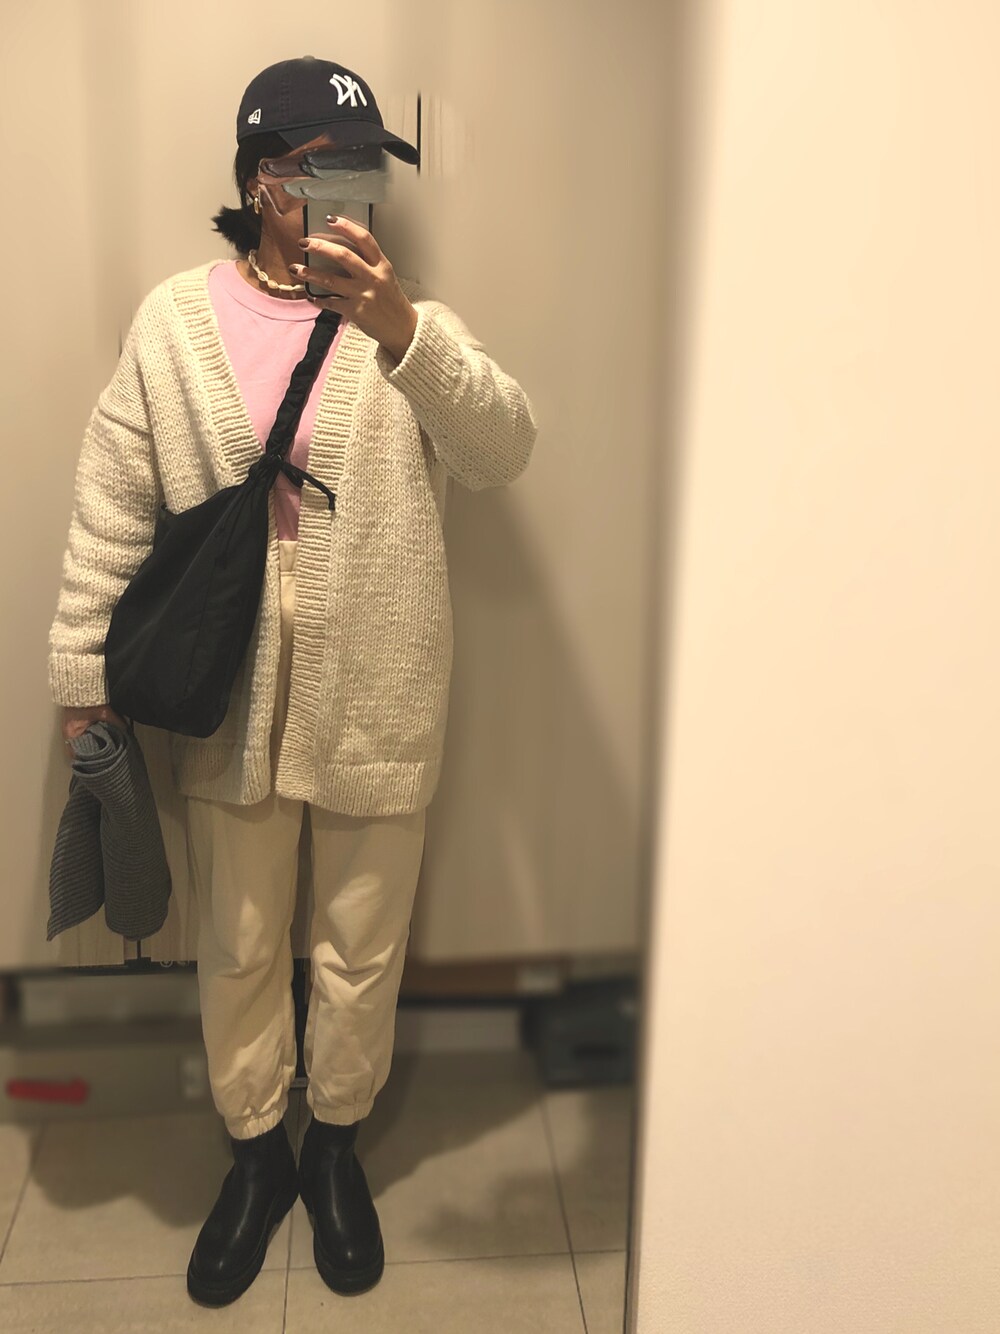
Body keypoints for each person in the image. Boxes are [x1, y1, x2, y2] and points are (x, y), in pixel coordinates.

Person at [47, 56, 538, 1308]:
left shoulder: (412, 322)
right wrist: (81, 669)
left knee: (361, 946)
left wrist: (403, 333)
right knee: (240, 941)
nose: (360, 191)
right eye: (334, 168)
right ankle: (257, 1148)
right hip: (228, 696)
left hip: (380, 687)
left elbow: (502, 448)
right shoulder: (174, 323)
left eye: (371, 169)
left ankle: (334, 1146)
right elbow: (112, 501)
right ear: (268, 180)